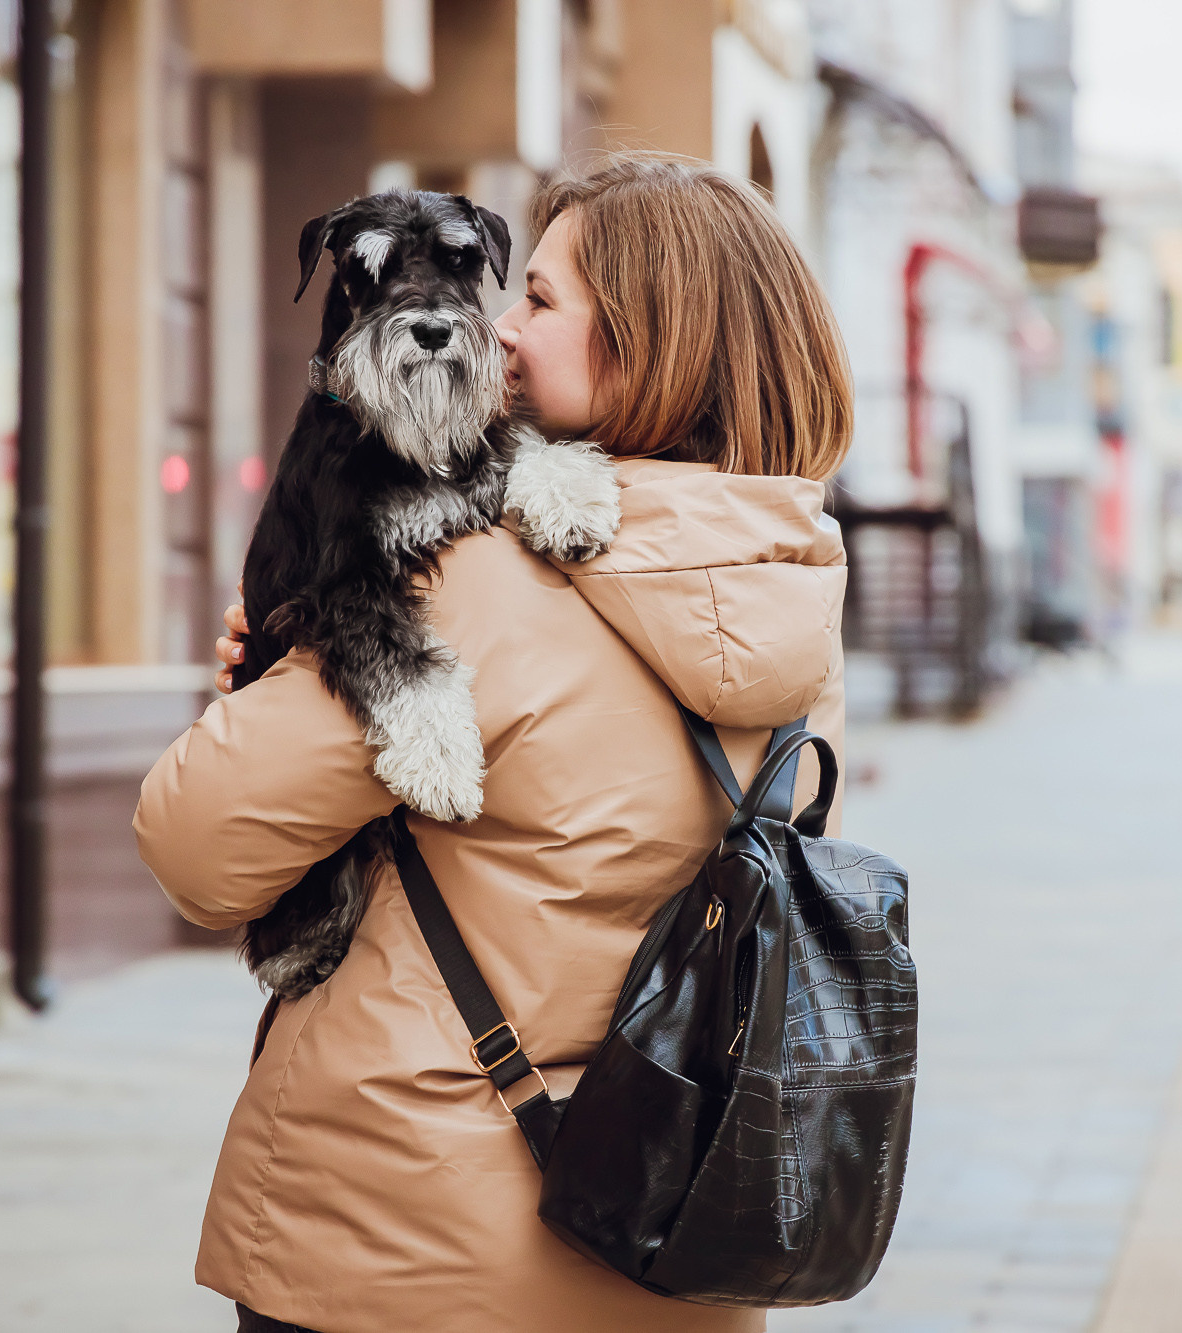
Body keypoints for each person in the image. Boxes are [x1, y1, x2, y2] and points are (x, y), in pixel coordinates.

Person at [135, 154, 852, 1333]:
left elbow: (193, 845)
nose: (500, 332)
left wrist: (276, 688)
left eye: (539, 300)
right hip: (674, 1244)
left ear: (646, 341)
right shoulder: (790, 593)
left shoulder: (469, 579)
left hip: (402, 1246)